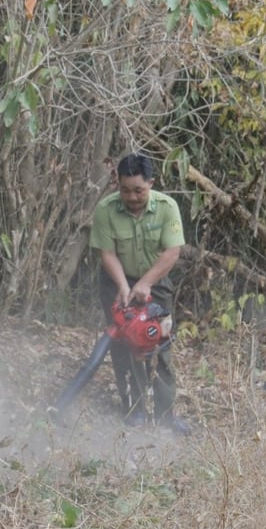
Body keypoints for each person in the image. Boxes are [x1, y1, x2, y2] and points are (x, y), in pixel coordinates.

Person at [88, 153, 191, 434]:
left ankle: (165, 416)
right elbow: (106, 253)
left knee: (159, 345)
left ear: (151, 184)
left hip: (155, 280)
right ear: (117, 184)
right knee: (124, 345)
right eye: (125, 190)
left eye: (139, 190)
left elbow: (172, 252)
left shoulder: (167, 208)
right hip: (116, 279)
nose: (132, 197)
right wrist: (124, 286)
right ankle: (134, 411)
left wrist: (145, 283)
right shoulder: (106, 210)